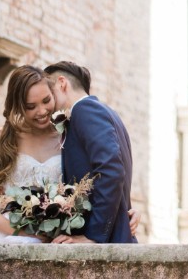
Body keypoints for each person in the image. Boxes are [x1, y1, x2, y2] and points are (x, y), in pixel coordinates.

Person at [0, 65, 140, 243]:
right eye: (30, 106)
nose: (42, 111)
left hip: (56, 241)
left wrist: (124, 212)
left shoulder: (68, 134)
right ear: (18, 105)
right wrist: (24, 233)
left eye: (46, 100)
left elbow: (101, 176)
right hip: (9, 237)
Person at [45, 61, 136, 244]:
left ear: (62, 83)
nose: (49, 103)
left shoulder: (85, 111)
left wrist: (93, 236)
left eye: (49, 92)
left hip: (108, 240)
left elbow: (111, 170)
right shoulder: (107, 112)